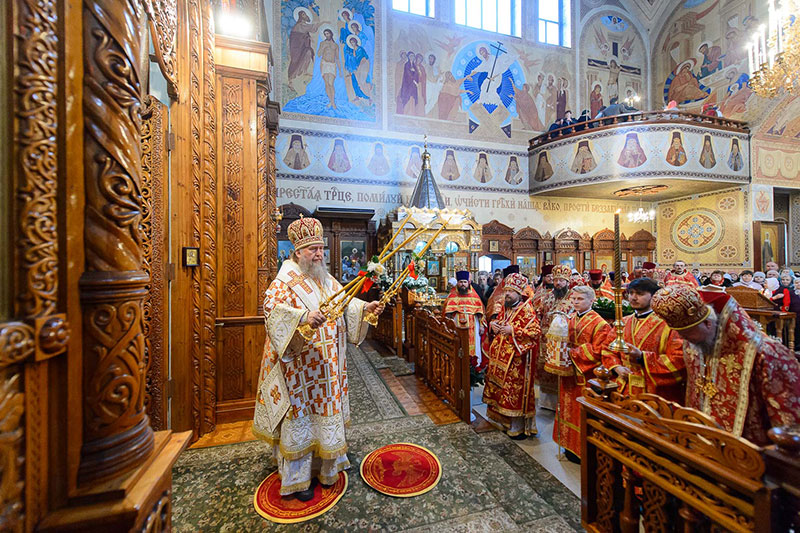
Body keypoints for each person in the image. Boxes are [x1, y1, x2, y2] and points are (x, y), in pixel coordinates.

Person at [254, 217, 385, 500]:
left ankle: (327, 466)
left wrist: (365, 308)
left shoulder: (325, 278)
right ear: (298, 251)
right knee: (301, 419)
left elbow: (344, 301)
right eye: (312, 249)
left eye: (320, 248)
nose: (318, 254)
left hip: (327, 368)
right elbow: (271, 312)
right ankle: (298, 479)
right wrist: (303, 317)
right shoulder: (285, 280)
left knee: (324, 414)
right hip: (298, 369)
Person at [651, 285, 800, 445]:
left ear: (708, 323)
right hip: (699, 444)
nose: (682, 337)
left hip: (749, 451)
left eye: (687, 332)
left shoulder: (766, 353)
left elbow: (788, 421)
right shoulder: (692, 345)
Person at [601, 278, 685, 403]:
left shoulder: (669, 325)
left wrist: (642, 357)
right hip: (623, 389)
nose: (633, 298)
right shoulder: (624, 322)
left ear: (653, 296)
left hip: (655, 394)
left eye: (640, 294)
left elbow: (678, 360)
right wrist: (617, 367)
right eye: (631, 293)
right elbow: (607, 349)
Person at [552, 285, 611, 462]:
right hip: (568, 371)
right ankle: (568, 446)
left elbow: (599, 350)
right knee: (567, 408)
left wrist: (572, 353)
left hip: (585, 376)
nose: (576, 302)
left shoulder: (600, 324)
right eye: (574, 299)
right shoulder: (569, 318)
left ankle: (581, 450)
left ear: (591, 300)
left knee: (579, 411)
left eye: (580, 299)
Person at [483, 273, 541, 439]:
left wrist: (514, 331)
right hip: (500, 357)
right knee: (499, 390)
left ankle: (516, 427)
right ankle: (502, 421)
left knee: (512, 391)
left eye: (511, 291)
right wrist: (494, 324)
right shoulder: (505, 307)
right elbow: (501, 322)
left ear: (519, 293)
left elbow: (535, 333)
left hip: (516, 361)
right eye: (506, 290)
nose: (507, 294)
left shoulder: (527, 310)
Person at [536, 265, 574, 410]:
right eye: (556, 280)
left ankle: (562, 403)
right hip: (545, 340)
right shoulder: (548, 297)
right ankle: (547, 403)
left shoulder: (573, 298)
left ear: (567, 282)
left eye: (561, 281)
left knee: (560, 369)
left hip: (562, 343)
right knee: (545, 370)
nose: (558, 283)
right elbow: (539, 313)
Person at [444, 271, 487, 370]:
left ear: (468, 283)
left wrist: (481, 325)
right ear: (457, 283)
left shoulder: (475, 296)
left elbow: (481, 312)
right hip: (457, 326)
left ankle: (474, 368)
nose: (463, 284)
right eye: (460, 282)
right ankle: (457, 367)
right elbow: (447, 313)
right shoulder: (452, 296)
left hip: (473, 327)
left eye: (464, 282)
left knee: (473, 347)